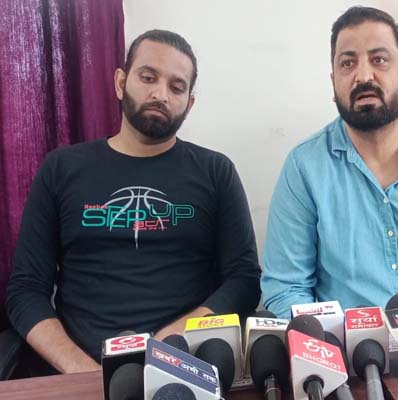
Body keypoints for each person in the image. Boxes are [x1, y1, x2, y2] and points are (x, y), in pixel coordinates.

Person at [5, 30, 261, 374]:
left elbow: (244, 281)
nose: (160, 94)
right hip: (77, 369)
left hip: (184, 362)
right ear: (120, 82)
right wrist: (83, 372)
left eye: (176, 87)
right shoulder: (61, 168)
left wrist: (169, 344)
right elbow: (25, 291)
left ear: (189, 104)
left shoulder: (216, 172)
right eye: (148, 77)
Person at [261, 6, 398, 318]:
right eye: (348, 63)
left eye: (379, 59)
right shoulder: (304, 168)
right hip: (343, 344)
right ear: (334, 83)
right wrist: (328, 341)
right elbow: (286, 288)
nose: (364, 76)